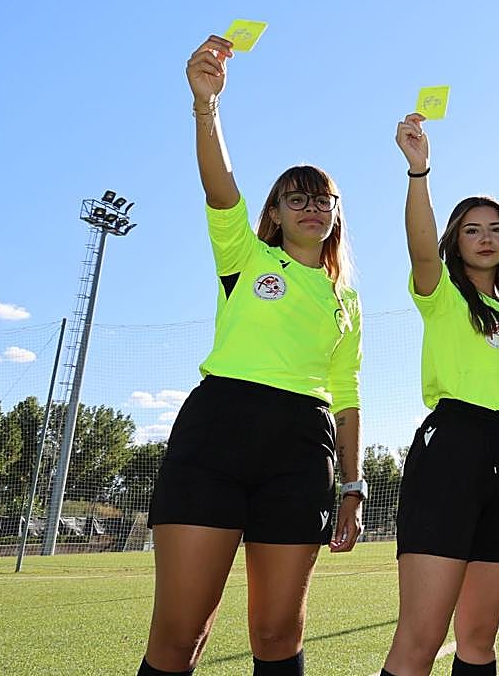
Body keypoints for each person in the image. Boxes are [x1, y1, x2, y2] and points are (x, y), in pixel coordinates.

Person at [139, 35, 365, 676]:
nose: (314, 205)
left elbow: (347, 394)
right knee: (180, 634)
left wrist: (350, 486)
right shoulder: (244, 255)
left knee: (275, 632)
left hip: (301, 450)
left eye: (324, 198)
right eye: (298, 196)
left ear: (337, 216)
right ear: (273, 211)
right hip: (217, 434)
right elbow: (220, 186)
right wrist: (206, 106)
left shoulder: (345, 300)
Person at [381, 113, 499, 676]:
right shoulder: (443, 294)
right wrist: (419, 170)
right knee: (422, 637)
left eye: (496, 229)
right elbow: (421, 249)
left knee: (478, 639)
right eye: (473, 229)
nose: (485, 238)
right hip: (450, 449)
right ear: (456, 239)